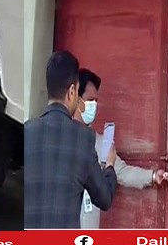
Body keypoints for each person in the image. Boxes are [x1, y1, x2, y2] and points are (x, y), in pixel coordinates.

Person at [23, 51, 117, 228]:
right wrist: (110, 166)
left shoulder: (27, 131)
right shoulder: (83, 138)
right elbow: (104, 199)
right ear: (72, 91)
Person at [75, 68, 168, 228]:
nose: (94, 106)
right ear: (75, 99)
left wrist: (153, 176)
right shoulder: (58, 140)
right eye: (90, 100)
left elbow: (121, 172)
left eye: (96, 101)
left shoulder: (100, 143)